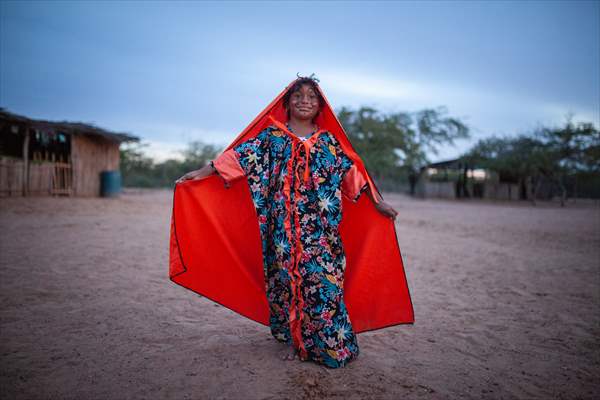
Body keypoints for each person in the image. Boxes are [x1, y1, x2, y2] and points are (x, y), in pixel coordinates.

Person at [176, 77, 398, 368]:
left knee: (325, 284)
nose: (305, 100)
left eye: (311, 97)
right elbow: (240, 157)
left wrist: (376, 202)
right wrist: (204, 172)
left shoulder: (329, 142)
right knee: (289, 285)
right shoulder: (272, 138)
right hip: (284, 231)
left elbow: (351, 174)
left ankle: (334, 346)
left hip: (320, 233)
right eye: (298, 95)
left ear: (320, 106)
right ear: (287, 102)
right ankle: (298, 343)